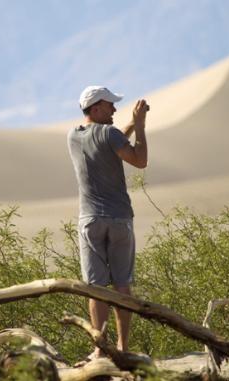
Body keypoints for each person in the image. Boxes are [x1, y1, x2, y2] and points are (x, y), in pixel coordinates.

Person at [67, 86, 149, 361]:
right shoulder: (110, 134)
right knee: (121, 284)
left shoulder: (73, 136)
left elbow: (107, 142)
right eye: (110, 105)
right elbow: (140, 160)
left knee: (96, 287)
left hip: (89, 219)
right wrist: (140, 126)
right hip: (119, 219)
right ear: (96, 108)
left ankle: (99, 349)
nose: (114, 109)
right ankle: (123, 348)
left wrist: (128, 126)